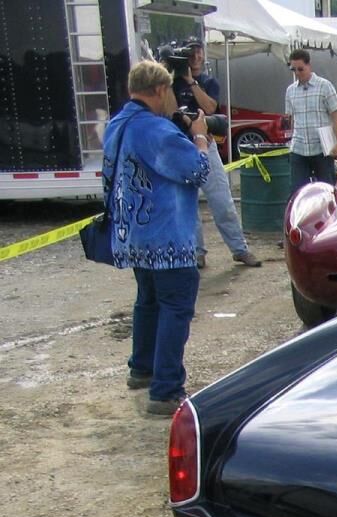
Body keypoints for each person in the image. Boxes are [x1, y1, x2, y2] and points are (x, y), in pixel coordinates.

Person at [103, 60, 210, 416]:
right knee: (176, 307)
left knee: (148, 302)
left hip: (133, 233)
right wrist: (198, 137)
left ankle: (142, 368)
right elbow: (196, 170)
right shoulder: (156, 131)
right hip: (166, 237)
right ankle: (165, 390)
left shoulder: (118, 123)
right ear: (160, 90)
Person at [172, 42, 260, 269]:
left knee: (221, 198)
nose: (195, 57)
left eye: (199, 52)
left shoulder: (209, 82)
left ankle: (239, 249)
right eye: (190, 53)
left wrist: (191, 82)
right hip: (181, 145)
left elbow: (210, 108)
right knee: (188, 202)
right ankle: (197, 252)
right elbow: (167, 110)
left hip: (205, 143)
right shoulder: (171, 83)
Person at [284, 49, 337, 194]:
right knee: (298, 193)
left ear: (309, 66)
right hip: (299, 148)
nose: (297, 73)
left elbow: (336, 116)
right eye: (294, 69)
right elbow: (290, 119)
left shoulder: (325, 86)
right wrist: (289, 141)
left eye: (300, 69)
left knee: (327, 190)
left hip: (322, 149)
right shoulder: (290, 91)